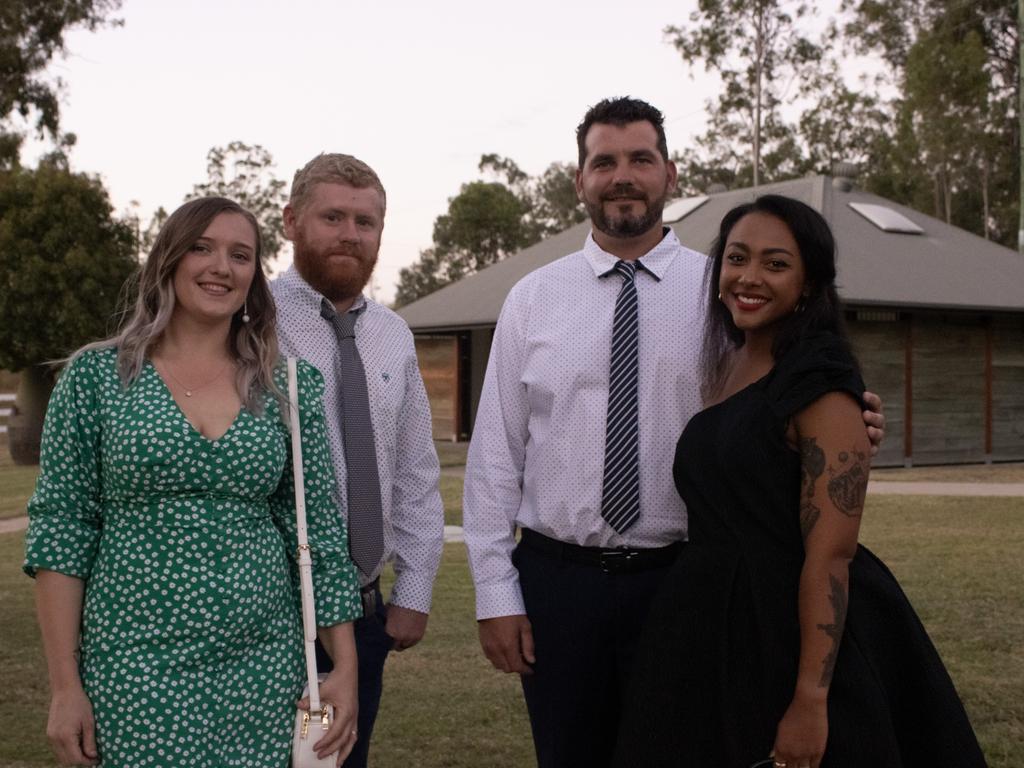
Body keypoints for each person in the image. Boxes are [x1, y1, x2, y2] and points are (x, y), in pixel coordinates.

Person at [462, 97, 886, 768]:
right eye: (604, 161)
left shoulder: (723, 291)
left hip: (686, 582)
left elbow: (791, 387)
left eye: (641, 159)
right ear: (580, 180)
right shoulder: (532, 299)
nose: (622, 175)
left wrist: (847, 415)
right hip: (559, 584)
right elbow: (494, 458)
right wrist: (494, 592)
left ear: (672, 174)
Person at [613, 195, 986, 767]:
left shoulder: (820, 378)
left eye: (776, 264)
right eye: (737, 258)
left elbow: (832, 555)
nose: (750, 277)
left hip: (785, 627)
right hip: (705, 622)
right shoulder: (728, 361)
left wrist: (812, 699)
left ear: (809, 284)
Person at [24, 197, 363, 767]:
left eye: (240, 255)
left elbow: (319, 536)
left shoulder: (289, 386)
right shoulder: (96, 378)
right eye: (202, 248)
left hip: (265, 674)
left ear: (255, 277)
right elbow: (63, 534)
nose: (221, 267)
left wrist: (347, 669)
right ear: (169, 260)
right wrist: (65, 686)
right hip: (134, 674)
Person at [271, 153, 444, 768]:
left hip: (364, 614)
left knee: (337, 763)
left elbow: (415, 469)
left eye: (365, 222)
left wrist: (415, 588)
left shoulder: (393, 334)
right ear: (291, 221)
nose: (351, 234)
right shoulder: (247, 318)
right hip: (268, 614)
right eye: (333, 217)